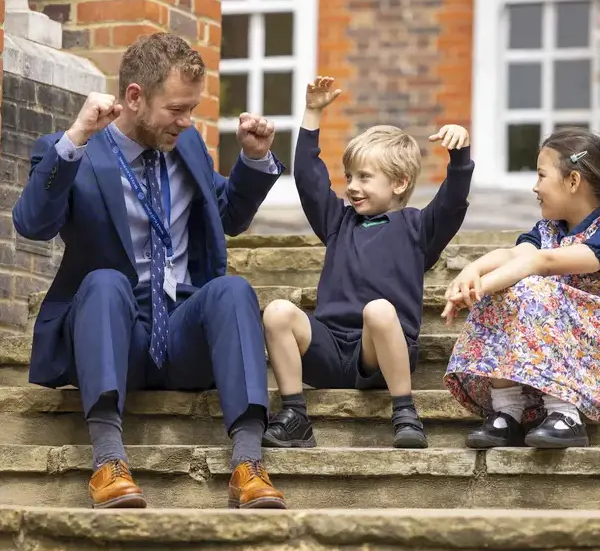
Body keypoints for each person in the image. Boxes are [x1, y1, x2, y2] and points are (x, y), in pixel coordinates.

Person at [12, 33, 287, 510]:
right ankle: (108, 463)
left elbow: (228, 217)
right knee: (103, 281)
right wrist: (75, 138)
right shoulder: (77, 151)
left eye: (191, 109)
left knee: (232, 290)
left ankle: (248, 465)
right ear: (134, 97)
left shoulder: (189, 148)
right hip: (112, 333)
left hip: (181, 333)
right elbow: (32, 224)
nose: (186, 121)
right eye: (177, 109)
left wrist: (255, 159)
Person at [260, 76, 474, 450]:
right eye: (349, 177)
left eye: (364, 177)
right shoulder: (338, 222)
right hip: (328, 348)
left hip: (378, 353)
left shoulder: (418, 227)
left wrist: (460, 155)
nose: (352, 186)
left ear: (399, 182)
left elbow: (452, 203)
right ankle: (294, 414)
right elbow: (310, 183)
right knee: (277, 311)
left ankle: (405, 412)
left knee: (378, 310)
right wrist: (312, 113)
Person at [443, 127, 600, 449]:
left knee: (531, 287)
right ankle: (508, 412)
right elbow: (515, 254)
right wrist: (473, 270)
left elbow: (542, 263)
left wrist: (478, 289)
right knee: (509, 287)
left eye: (542, 176)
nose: (534, 186)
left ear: (573, 181)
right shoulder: (548, 230)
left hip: (589, 357)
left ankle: (565, 414)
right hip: (549, 354)